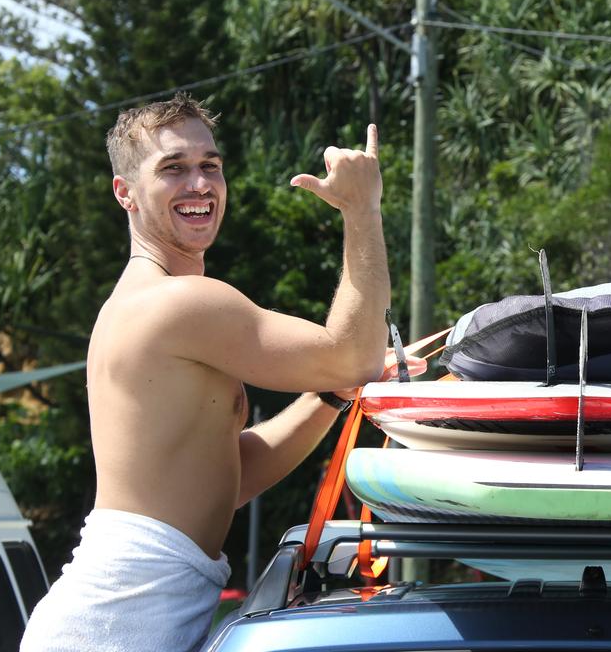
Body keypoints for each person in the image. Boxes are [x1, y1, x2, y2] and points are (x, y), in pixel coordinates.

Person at [21, 93, 415, 652]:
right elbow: (351, 353)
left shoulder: (155, 303)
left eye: (210, 166)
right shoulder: (180, 303)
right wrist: (363, 209)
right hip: (109, 628)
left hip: (125, 619)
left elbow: (231, 476)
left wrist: (328, 395)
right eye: (173, 169)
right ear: (125, 193)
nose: (199, 184)